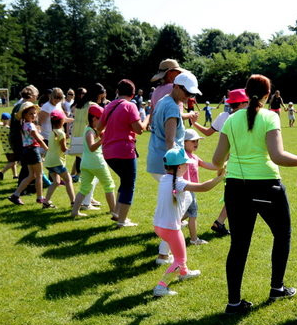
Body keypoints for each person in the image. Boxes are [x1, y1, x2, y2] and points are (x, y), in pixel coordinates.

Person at [212, 74, 297, 315]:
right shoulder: (270, 116)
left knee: (238, 244)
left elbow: (217, 159)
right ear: (268, 94)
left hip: (236, 187)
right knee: (282, 235)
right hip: (266, 186)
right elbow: (278, 156)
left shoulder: (230, 120)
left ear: (246, 93)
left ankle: (234, 303)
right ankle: (276, 288)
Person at [151, 147, 225, 297]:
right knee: (180, 258)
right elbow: (203, 187)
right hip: (170, 229)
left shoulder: (165, 179)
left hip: (159, 226)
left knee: (179, 253)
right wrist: (220, 177)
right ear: (179, 167)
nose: (188, 166)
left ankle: (184, 273)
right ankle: (161, 287)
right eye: (186, 164)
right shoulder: (178, 182)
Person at [148, 71, 201, 256]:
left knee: (178, 205)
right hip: (168, 163)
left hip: (160, 160)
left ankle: (165, 250)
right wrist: (175, 170)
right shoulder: (171, 107)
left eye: (192, 94)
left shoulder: (166, 101)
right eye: (187, 93)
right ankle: (164, 253)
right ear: (176, 87)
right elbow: (170, 141)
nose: (189, 97)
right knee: (178, 206)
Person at [192, 88, 249, 237]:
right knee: (237, 194)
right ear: (242, 103)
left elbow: (207, 132)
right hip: (237, 160)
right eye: (247, 102)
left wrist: (194, 124)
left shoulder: (224, 115)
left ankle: (221, 221)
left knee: (236, 193)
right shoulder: (245, 117)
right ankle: (220, 222)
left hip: (225, 159)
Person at [99, 79, 150, 228]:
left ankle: (116, 212)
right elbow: (139, 129)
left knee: (124, 180)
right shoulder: (130, 105)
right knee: (129, 184)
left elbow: (99, 127)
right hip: (124, 151)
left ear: (117, 92)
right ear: (133, 94)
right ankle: (122, 220)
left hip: (108, 152)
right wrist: (147, 118)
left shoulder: (109, 106)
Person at [71, 104, 117, 218]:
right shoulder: (90, 132)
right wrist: (102, 140)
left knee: (84, 188)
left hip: (86, 163)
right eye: (100, 119)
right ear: (94, 118)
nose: (102, 123)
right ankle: (114, 211)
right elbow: (92, 147)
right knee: (109, 185)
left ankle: (75, 212)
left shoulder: (90, 129)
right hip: (96, 163)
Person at [182, 129, 221, 245]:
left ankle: (170, 224)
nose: (196, 144)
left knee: (188, 212)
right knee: (193, 213)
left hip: (192, 189)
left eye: (197, 141)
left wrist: (221, 165)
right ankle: (194, 239)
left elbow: (207, 165)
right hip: (185, 189)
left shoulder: (195, 157)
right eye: (193, 141)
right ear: (184, 142)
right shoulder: (182, 155)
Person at [8, 102, 49, 205]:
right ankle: (40, 197)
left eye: (34, 113)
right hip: (33, 151)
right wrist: (46, 148)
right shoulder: (30, 125)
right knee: (39, 175)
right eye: (30, 113)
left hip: (27, 151)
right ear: (24, 115)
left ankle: (15, 195)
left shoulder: (24, 125)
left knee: (32, 175)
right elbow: (36, 138)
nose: (33, 115)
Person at [43, 112, 76, 208]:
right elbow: (64, 149)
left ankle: (46, 202)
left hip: (49, 162)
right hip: (57, 162)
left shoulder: (52, 132)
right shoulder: (61, 133)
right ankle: (73, 202)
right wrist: (73, 150)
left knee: (56, 182)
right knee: (68, 180)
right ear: (61, 121)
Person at [0, 113, 17, 180]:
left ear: (1, 120)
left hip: (5, 148)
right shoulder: (9, 129)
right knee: (13, 162)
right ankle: (1, 172)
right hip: (12, 148)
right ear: (10, 120)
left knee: (12, 162)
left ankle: (15, 175)